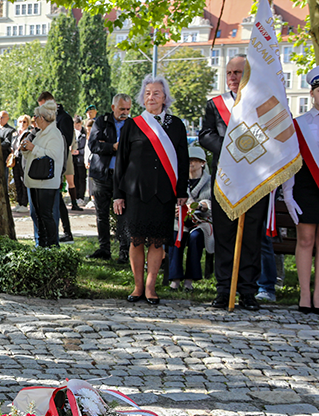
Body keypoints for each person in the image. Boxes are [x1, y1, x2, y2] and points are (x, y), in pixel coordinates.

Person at [114, 75, 188, 305]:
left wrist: (181, 191)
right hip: (136, 192)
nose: (151, 97)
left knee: (157, 241)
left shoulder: (176, 125)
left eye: (156, 93)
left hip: (164, 193)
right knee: (136, 240)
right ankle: (137, 286)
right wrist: (118, 194)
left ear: (165, 97)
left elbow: (183, 159)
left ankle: (150, 286)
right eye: (147, 93)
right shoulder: (133, 124)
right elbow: (121, 161)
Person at [199, 56, 266, 311]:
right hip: (224, 180)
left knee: (250, 236)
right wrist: (230, 149)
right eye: (229, 72)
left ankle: (248, 291)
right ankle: (224, 290)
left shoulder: (263, 104)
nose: (233, 77)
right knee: (225, 235)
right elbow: (205, 135)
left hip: (255, 180)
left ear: (248, 74)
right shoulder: (215, 105)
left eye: (238, 72)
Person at [87, 93, 132, 261]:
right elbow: (93, 144)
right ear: (113, 107)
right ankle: (104, 248)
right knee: (102, 214)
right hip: (102, 174)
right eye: (121, 109)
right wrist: (112, 147)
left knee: (124, 215)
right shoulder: (101, 122)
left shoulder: (132, 125)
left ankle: (124, 250)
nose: (125, 112)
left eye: (128, 109)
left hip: (123, 177)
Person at [292, 66, 319, 313]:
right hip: (306, 186)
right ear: (311, 93)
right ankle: (304, 294)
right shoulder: (298, 124)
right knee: (306, 240)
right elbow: (290, 161)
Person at [166, 145, 213, 291]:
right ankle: (175, 279)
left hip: (201, 222)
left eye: (195, 160)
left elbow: (210, 203)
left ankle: (189, 280)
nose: (191, 163)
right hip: (179, 222)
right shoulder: (179, 179)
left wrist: (200, 207)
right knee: (175, 237)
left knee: (196, 238)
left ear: (203, 163)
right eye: (188, 160)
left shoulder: (210, 181)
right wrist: (175, 210)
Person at [19, 100, 65, 247]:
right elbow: (33, 155)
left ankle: (52, 244)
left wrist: (33, 148)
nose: (34, 119)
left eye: (36, 116)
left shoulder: (54, 134)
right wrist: (26, 150)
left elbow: (53, 155)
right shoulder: (40, 134)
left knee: (46, 215)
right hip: (35, 180)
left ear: (42, 118)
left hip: (47, 181)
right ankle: (42, 244)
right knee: (38, 215)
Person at [36, 92, 75, 240]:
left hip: (56, 164)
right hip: (44, 164)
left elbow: (66, 143)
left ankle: (64, 233)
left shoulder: (63, 118)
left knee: (56, 200)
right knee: (54, 200)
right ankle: (61, 232)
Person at [0, 110, 16, 205]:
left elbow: (8, 143)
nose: (0, 119)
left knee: (4, 179)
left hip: (4, 158)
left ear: (7, 119)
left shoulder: (10, 130)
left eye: (2, 117)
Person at [12, 115, 30, 207]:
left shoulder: (28, 134)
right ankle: (19, 201)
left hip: (23, 159)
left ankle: (24, 202)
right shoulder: (15, 134)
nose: (22, 124)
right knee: (16, 180)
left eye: (24, 122)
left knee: (23, 180)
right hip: (15, 159)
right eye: (20, 121)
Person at [72, 116, 87, 211]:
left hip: (81, 159)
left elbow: (86, 146)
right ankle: (76, 196)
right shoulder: (73, 133)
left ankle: (81, 196)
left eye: (78, 125)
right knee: (75, 178)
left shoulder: (84, 133)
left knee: (81, 178)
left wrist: (79, 152)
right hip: (74, 159)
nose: (76, 127)